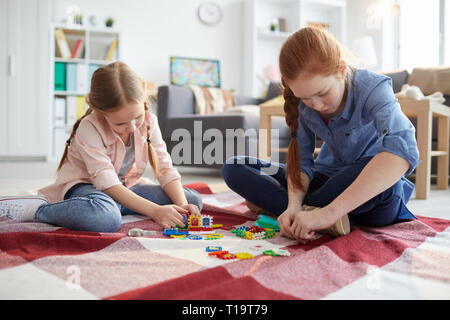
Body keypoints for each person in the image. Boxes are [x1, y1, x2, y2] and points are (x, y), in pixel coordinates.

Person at [222, 27, 419, 241]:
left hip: (370, 193)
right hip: (323, 178)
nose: (315, 105)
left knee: (388, 179)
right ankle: (301, 213)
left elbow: (402, 149)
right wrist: (293, 204)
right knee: (234, 167)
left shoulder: (373, 88)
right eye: (305, 98)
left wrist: (328, 213)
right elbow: (303, 164)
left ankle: (301, 211)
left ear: (341, 70)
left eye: (322, 93)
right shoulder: (304, 106)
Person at [0, 61, 202, 232]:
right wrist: (155, 211)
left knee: (192, 199)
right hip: (86, 187)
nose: (131, 128)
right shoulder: (90, 127)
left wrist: (183, 206)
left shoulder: (150, 121)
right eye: (120, 124)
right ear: (101, 112)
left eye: (137, 118)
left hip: (125, 187)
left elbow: (165, 168)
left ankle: (121, 205)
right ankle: (37, 210)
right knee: (106, 218)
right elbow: (107, 182)